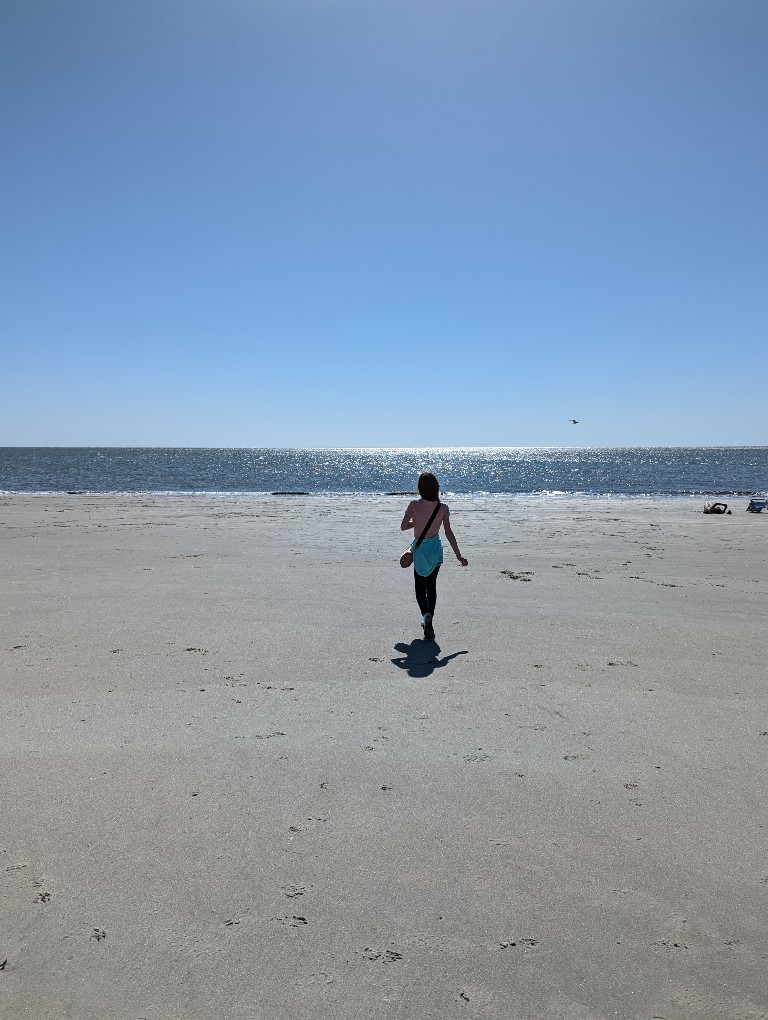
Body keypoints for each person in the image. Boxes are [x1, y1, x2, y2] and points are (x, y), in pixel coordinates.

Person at [400, 472, 468, 640]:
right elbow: (449, 532)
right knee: (432, 586)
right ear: (436, 488)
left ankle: (425, 615)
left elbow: (403, 527)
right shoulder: (442, 508)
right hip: (436, 549)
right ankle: (429, 616)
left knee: (419, 588)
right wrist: (459, 555)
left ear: (420, 488)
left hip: (421, 549)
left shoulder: (414, 505)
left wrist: (416, 522)